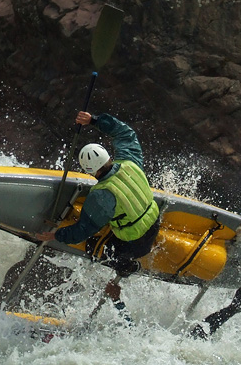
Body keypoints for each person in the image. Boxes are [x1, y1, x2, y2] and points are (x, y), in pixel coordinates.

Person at [35, 111, 161, 301]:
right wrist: (94, 120)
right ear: (108, 157)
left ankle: (128, 266)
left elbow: (83, 230)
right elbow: (125, 133)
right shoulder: (130, 160)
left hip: (134, 244)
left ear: (89, 171)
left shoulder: (101, 195)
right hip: (155, 224)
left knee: (95, 247)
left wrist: (56, 235)